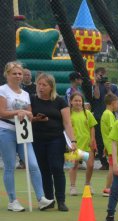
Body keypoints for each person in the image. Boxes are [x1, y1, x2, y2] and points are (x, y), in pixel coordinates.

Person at [0, 63, 54, 212]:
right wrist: (18, 112)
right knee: (10, 166)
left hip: (23, 133)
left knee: (33, 165)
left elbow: (29, 114)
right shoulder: (2, 91)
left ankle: (41, 198)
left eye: (20, 74)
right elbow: (2, 113)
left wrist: (33, 117)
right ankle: (12, 200)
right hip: (6, 131)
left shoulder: (25, 94)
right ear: (7, 74)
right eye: (14, 73)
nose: (18, 76)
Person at [30, 72, 76, 212]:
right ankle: (49, 200)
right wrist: (36, 119)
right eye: (39, 84)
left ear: (51, 87)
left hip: (56, 139)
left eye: (44, 85)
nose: (41, 87)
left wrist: (73, 141)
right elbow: (28, 118)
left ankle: (61, 200)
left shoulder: (60, 101)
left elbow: (67, 123)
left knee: (56, 168)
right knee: (44, 170)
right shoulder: (32, 100)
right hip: (37, 139)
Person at [68, 92, 98, 195]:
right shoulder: (68, 114)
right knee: (73, 165)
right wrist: (69, 143)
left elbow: (92, 127)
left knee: (90, 165)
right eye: (75, 100)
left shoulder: (87, 113)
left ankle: (87, 185)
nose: (78, 102)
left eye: (80, 101)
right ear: (71, 102)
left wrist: (92, 139)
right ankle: (72, 187)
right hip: (74, 145)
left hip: (86, 145)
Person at [92, 68, 118, 170]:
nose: (102, 77)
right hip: (98, 116)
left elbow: (115, 100)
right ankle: (104, 163)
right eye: (100, 75)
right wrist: (97, 84)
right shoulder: (95, 86)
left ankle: (112, 160)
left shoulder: (113, 87)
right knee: (100, 140)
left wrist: (108, 89)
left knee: (111, 137)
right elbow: (96, 96)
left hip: (110, 116)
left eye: (103, 75)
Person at [100, 93, 118, 197]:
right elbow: (113, 130)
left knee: (114, 166)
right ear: (113, 103)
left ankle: (115, 185)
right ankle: (108, 188)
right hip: (112, 145)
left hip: (108, 144)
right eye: (117, 103)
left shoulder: (105, 113)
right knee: (112, 167)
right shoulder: (109, 114)